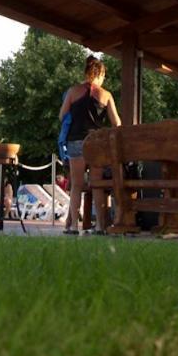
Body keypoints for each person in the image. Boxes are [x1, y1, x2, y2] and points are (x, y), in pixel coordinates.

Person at [58, 54, 120, 234]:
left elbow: (62, 116)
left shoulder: (72, 91)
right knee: (97, 184)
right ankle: (101, 226)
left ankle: (73, 226)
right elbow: (116, 123)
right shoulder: (106, 95)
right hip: (96, 143)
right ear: (99, 74)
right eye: (104, 76)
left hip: (76, 141)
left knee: (76, 185)